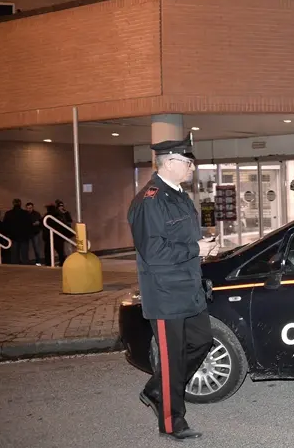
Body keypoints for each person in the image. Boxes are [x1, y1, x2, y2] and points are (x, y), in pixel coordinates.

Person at [127, 133, 221, 441]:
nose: (192, 167)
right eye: (187, 162)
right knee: (171, 357)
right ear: (169, 163)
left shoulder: (179, 195)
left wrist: (203, 244)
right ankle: (171, 421)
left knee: (202, 342)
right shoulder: (148, 201)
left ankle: (157, 389)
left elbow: (180, 238)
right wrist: (196, 249)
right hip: (166, 294)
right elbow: (153, 253)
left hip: (189, 290)